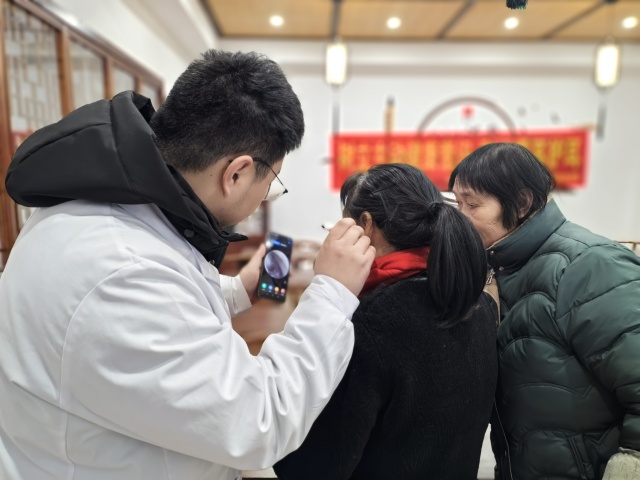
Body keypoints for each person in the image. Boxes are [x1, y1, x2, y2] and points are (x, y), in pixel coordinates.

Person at [0, 50, 375, 480]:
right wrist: (331, 294)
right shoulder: (121, 271)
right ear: (236, 174)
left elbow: (167, 307)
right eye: (271, 184)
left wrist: (236, 290)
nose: (264, 198)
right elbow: (258, 419)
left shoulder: (106, 207)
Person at [273, 163, 498, 480]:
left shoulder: (371, 320)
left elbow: (311, 467)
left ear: (365, 225)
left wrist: (326, 290)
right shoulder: (480, 305)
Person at [449, 142, 640, 480]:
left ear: (522, 203)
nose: (460, 218)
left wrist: (630, 465)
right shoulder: (500, 268)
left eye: (473, 205)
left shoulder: (589, 265)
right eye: (457, 203)